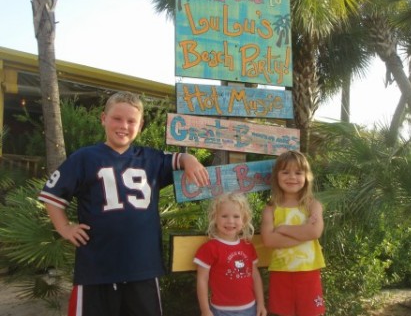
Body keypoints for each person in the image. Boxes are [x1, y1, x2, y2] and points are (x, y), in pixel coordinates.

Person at [38, 91, 210, 316]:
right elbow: (53, 196)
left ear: (140, 125)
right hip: (97, 267)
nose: (124, 126)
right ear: (103, 118)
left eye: (131, 121)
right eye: (117, 118)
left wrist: (190, 159)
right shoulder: (85, 158)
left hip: (142, 266)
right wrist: (64, 227)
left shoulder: (151, 158)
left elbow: (178, 160)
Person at [261, 150, 326, 316]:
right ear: (276, 176)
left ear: (306, 177)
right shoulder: (270, 208)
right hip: (280, 272)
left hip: (308, 271)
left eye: (298, 172)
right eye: (285, 172)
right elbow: (269, 240)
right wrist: (303, 234)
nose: (292, 177)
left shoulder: (313, 205)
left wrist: (283, 229)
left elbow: (315, 231)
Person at [194, 192, 267, 316]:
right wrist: (205, 310)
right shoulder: (209, 248)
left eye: (236, 216)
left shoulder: (247, 246)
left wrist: (261, 303)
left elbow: (255, 276)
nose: (230, 221)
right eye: (224, 216)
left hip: (250, 308)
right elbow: (202, 280)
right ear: (214, 218)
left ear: (244, 220)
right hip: (220, 310)